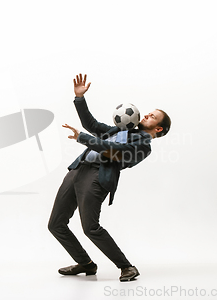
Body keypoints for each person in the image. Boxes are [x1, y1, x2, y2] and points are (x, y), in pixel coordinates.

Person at [48, 73, 171, 282]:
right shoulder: (123, 127)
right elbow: (93, 125)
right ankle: (86, 264)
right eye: (148, 113)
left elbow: (113, 150)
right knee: (56, 224)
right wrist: (79, 98)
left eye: (152, 116)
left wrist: (83, 139)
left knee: (90, 227)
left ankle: (127, 267)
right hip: (79, 169)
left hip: (97, 176)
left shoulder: (143, 145)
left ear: (158, 128)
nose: (146, 115)